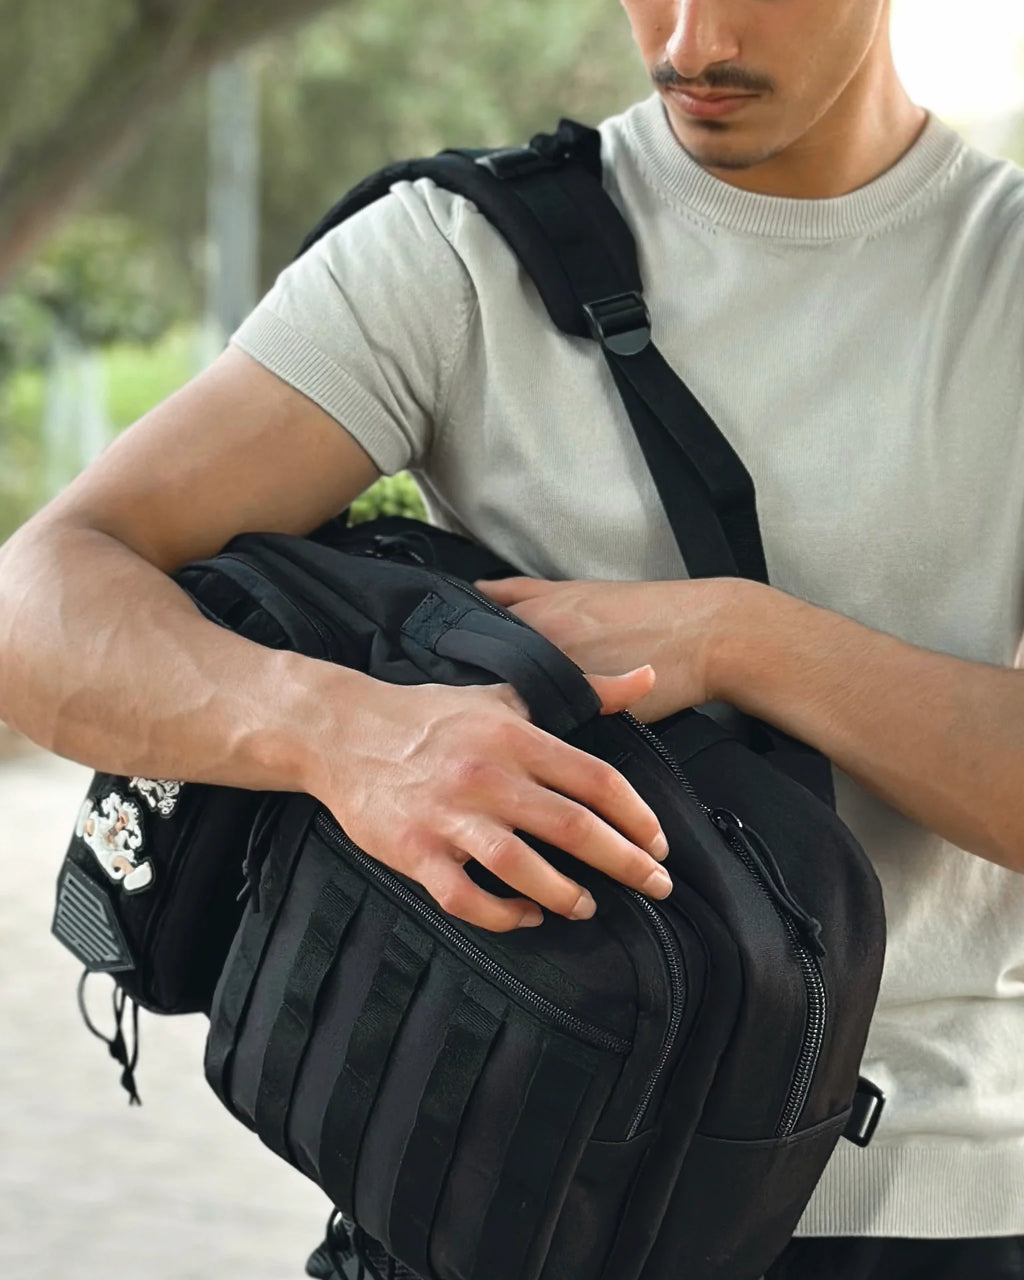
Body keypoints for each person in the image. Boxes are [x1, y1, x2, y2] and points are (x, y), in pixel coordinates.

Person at [0, 0, 1022, 1275]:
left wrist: (746, 637)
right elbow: (39, 595)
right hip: (495, 1203)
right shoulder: (459, 255)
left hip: (925, 1221)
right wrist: (339, 735)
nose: (690, 41)